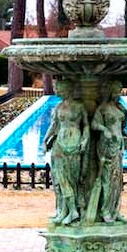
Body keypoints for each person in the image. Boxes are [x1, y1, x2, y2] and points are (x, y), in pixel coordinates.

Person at [86, 81, 127, 224]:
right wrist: (104, 129)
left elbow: (120, 128)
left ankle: (115, 210)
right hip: (106, 145)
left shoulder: (120, 108)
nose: (118, 93)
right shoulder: (103, 108)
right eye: (116, 90)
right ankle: (105, 211)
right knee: (107, 179)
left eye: (119, 90)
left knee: (116, 180)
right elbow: (94, 124)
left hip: (118, 145)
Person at [43, 81, 90, 224]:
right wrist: (45, 140)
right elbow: (54, 125)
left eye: (59, 89)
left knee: (72, 178)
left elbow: (86, 125)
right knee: (59, 177)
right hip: (60, 143)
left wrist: (85, 140)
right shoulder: (58, 107)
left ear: (67, 90)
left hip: (74, 142)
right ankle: (66, 210)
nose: (57, 91)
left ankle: (72, 210)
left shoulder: (79, 106)